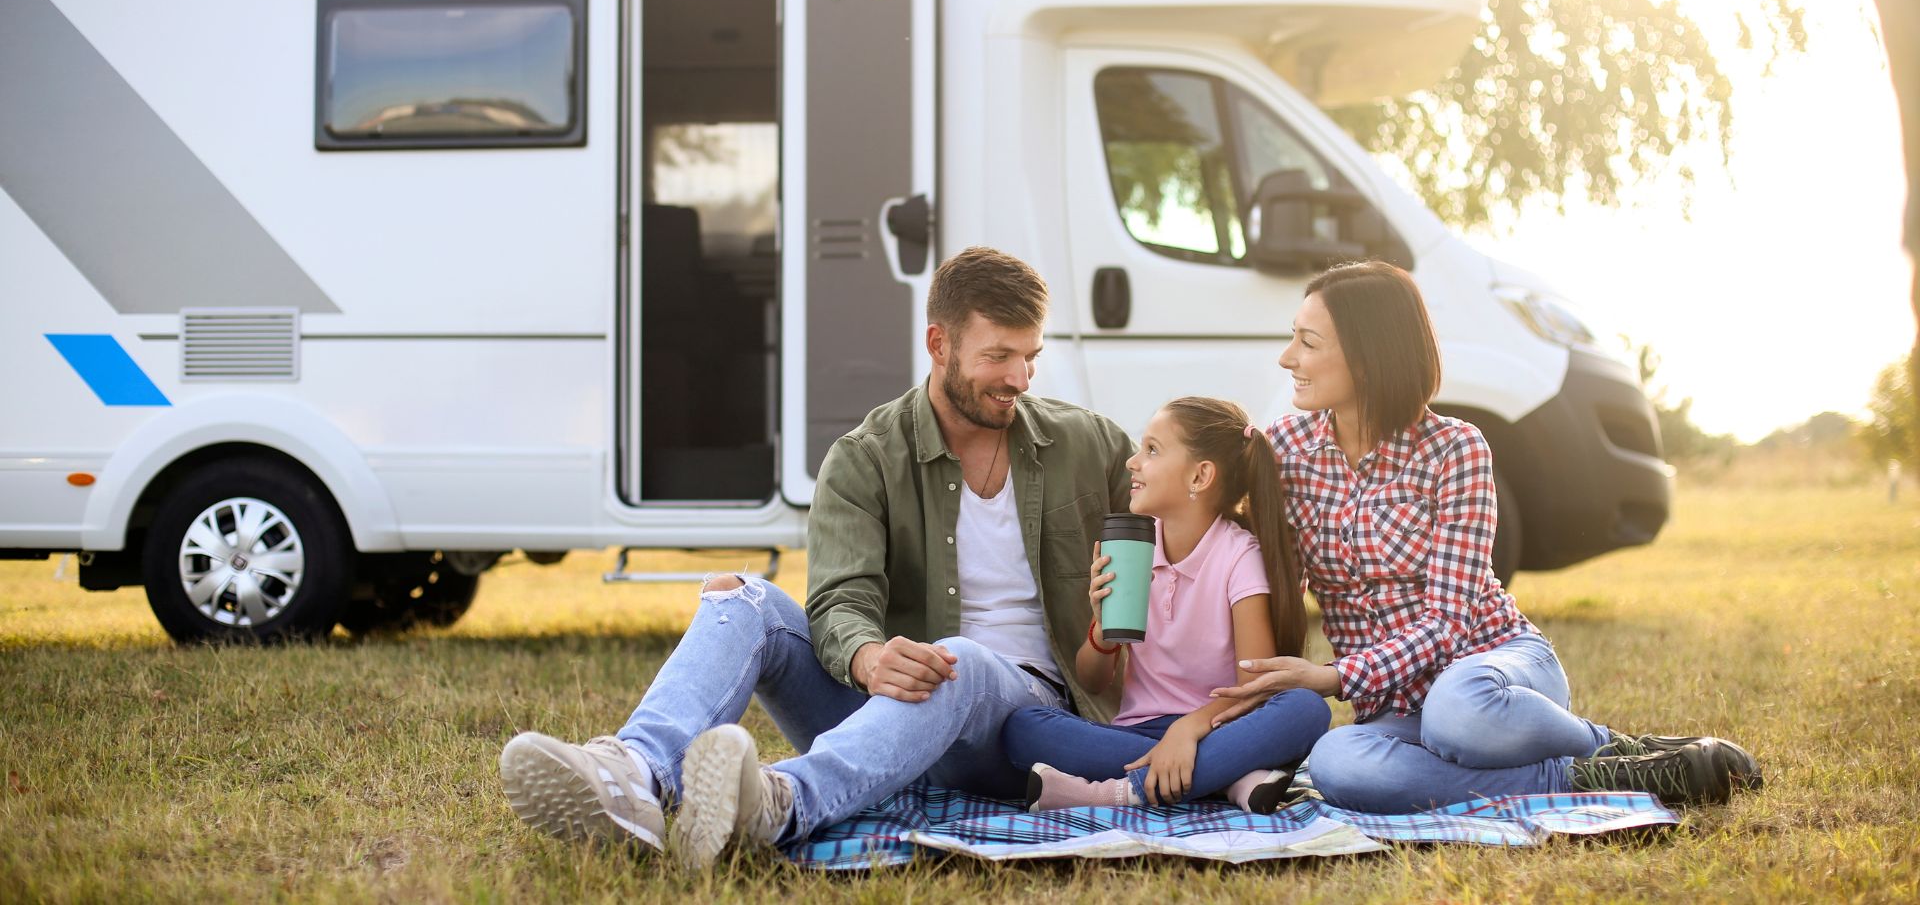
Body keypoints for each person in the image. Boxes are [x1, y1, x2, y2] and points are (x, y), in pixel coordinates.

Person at [496, 246, 1134, 868]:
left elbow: (1185, 552)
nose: (1019, 380)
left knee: (956, 661)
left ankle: (779, 804)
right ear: (939, 344)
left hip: (1025, 724)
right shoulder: (866, 457)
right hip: (889, 711)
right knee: (742, 595)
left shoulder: (1091, 444)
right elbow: (838, 599)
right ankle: (633, 775)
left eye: (1031, 357)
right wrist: (869, 656)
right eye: (998, 356)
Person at [1208, 260, 1762, 814]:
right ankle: (1582, 776)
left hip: (1492, 670)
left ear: (1367, 353)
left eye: (1307, 342)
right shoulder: (1285, 449)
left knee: (1459, 716)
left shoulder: (1456, 449)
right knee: (1336, 763)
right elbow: (1232, 549)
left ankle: (1612, 747)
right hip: (1395, 709)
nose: (1288, 358)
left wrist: (1333, 675)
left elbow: (1449, 625)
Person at [1002, 397, 1330, 812]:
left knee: (1304, 709)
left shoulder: (1238, 555)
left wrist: (1189, 731)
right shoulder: (1132, 548)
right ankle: (1226, 777)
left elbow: (1256, 687)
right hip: (1138, 732)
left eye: (1152, 450)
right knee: (1023, 726)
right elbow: (1093, 681)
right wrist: (1102, 632)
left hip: (1220, 724)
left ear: (1200, 475)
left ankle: (1121, 792)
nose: (1132, 463)